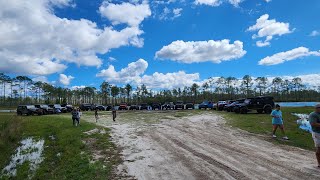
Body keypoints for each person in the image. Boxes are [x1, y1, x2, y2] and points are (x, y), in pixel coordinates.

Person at [309, 103, 320, 168]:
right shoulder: (313, 115)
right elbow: (313, 124)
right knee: (319, 148)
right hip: (317, 133)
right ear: (316, 108)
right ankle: (319, 163)